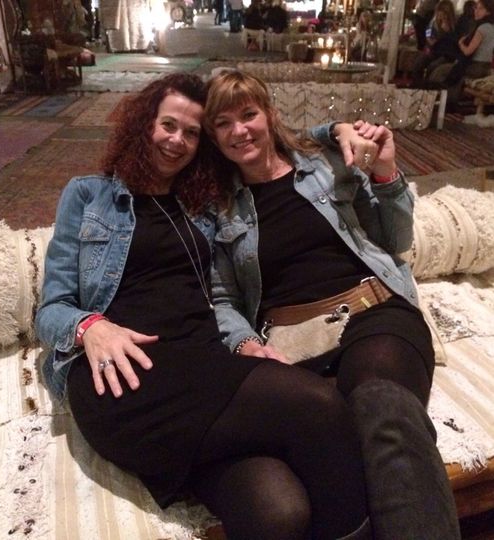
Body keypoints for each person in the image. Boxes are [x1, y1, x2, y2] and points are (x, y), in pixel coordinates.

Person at [35, 72, 384, 539]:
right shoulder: (88, 195)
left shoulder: (203, 202)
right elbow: (52, 309)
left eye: (192, 133)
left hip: (204, 361)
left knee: (277, 509)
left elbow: (274, 139)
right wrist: (91, 327)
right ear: (144, 123)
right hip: (127, 375)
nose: (177, 140)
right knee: (319, 405)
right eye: (168, 125)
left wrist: (338, 128)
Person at [203, 70, 462, 540]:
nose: (239, 130)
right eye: (223, 123)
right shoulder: (219, 208)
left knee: (379, 402)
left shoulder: (324, 164)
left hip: (373, 313)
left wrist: (385, 172)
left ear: (270, 114)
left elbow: (394, 239)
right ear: (213, 136)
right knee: (324, 444)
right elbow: (222, 298)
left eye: (248, 114)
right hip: (290, 341)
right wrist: (244, 343)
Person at [429, 0, 494, 104]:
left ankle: (440, 99)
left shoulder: (481, 28)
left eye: (480, 8)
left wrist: (460, 43)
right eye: (476, 8)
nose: (476, 11)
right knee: (445, 68)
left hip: (476, 66)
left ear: (488, 12)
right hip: (485, 66)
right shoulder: (491, 27)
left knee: (441, 71)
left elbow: (467, 51)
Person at [411, 0, 459, 87]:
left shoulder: (454, 25)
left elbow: (451, 43)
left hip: (446, 54)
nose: (439, 16)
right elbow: (428, 31)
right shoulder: (434, 21)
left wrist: (445, 33)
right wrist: (429, 39)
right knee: (418, 63)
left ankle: (427, 87)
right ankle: (416, 85)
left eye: (442, 14)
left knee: (432, 67)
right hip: (434, 50)